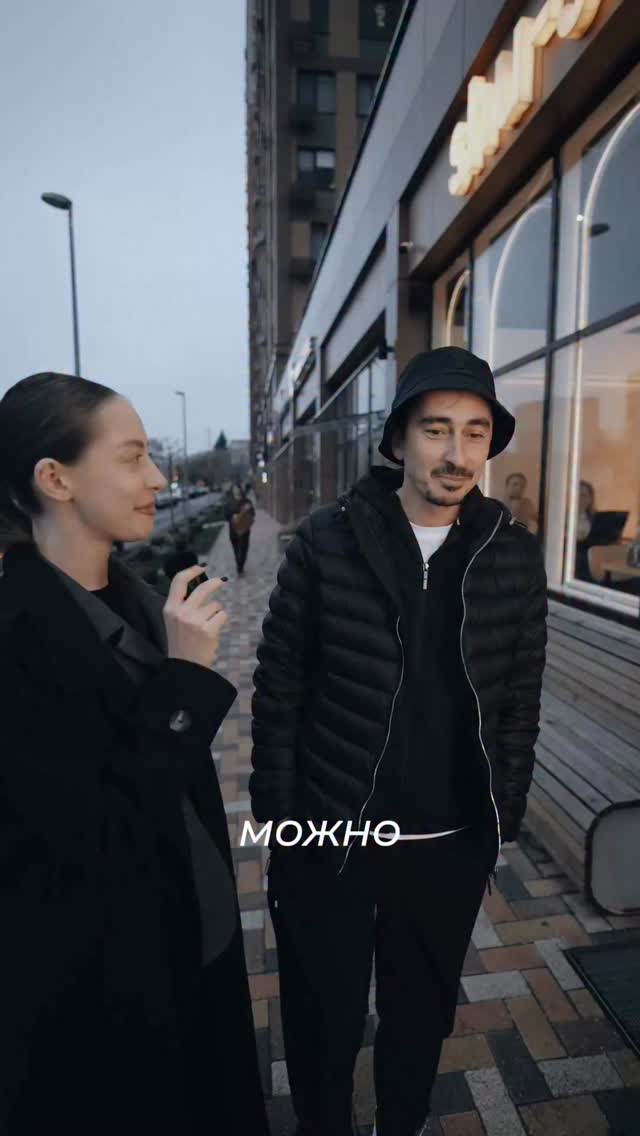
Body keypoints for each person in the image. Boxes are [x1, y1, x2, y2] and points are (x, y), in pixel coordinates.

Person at [250, 346, 548, 1136]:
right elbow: (279, 692)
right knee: (323, 1021)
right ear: (397, 440)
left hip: (445, 848)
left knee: (419, 1023)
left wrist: (500, 817)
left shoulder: (512, 554)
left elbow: (520, 701)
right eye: (436, 429)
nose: (457, 454)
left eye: (476, 433)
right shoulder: (327, 541)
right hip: (332, 839)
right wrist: (283, 823)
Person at [0, 372, 268, 1136]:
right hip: (115, 1003)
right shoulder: (17, 641)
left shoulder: (133, 598)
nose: (157, 479)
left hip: (195, 946)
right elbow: (99, 841)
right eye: (132, 457)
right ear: (55, 479)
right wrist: (184, 682)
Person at [225, 481, 255, 576]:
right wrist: (232, 516)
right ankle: (239, 566)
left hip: (244, 530)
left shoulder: (246, 501)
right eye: (235, 489)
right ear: (232, 491)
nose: (237, 491)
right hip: (233, 530)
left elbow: (253, 514)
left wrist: (248, 509)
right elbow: (226, 516)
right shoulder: (229, 502)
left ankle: (240, 567)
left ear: (241, 490)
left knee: (244, 549)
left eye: (238, 489)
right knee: (236, 550)